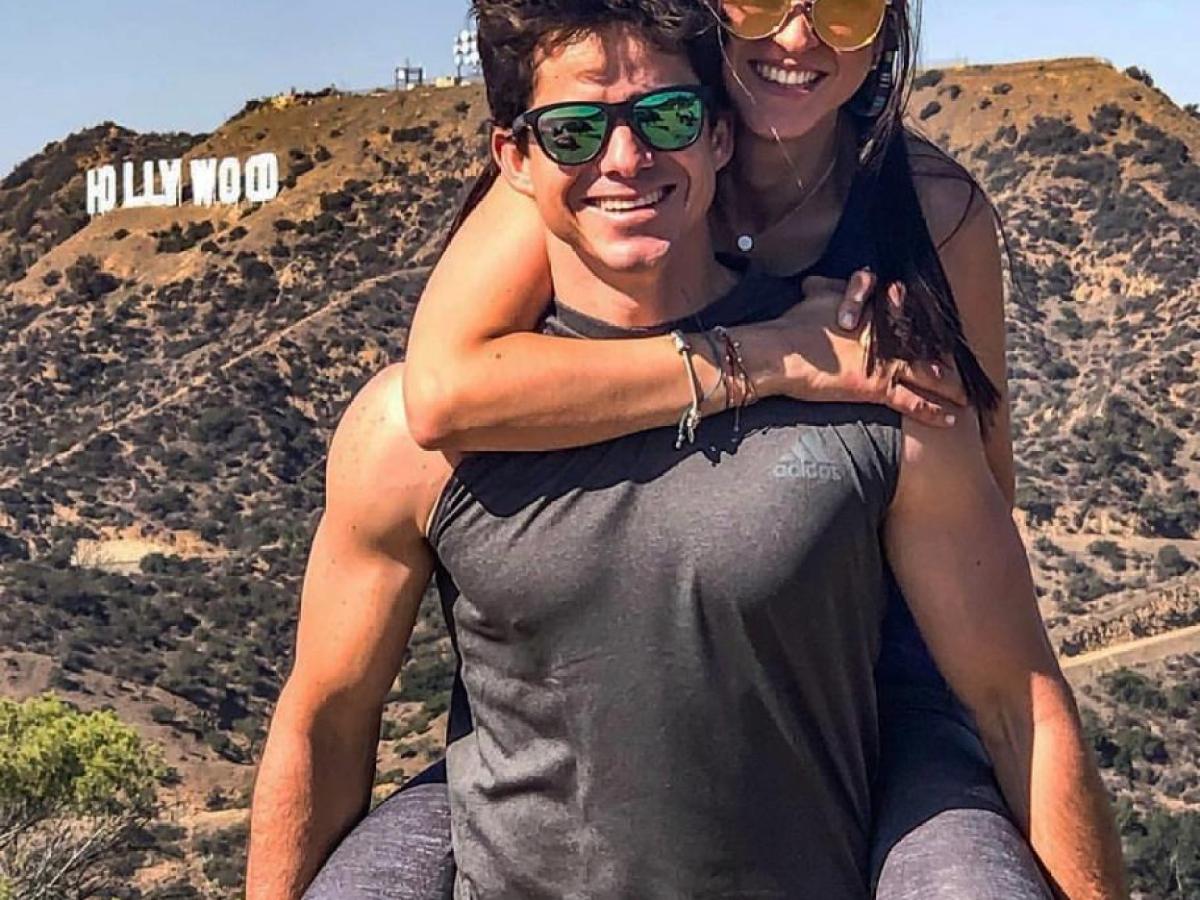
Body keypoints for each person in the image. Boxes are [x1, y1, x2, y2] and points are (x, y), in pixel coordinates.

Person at [246, 2, 1126, 898]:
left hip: (883, 690)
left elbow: (999, 569)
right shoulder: (602, 159)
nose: (798, 34)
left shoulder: (931, 231)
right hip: (547, 748)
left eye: (846, 3)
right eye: (577, 134)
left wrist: (886, 526)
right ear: (517, 157)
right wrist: (772, 357)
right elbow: (439, 395)